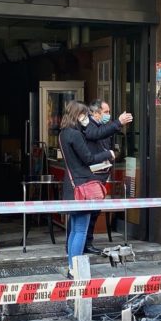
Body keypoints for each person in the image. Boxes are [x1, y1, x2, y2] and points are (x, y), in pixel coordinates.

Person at [59, 100, 116, 272]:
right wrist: (109, 154)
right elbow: (89, 159)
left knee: (75, 230)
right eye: (84, 114)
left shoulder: (63, 133)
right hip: (82, 185)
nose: (86, 118)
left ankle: (71, 267)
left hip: (71, 186)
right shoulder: (76, 135)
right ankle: (75, 269)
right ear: (78, 115)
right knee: (81, 231)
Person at [82, 99, 133, 254]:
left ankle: (87, 242)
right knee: (85, 212)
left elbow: (106, 136)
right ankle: (82, 244)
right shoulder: (88, 125)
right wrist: (118, 122)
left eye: (109, 112)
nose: (108, 115)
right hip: (91, 176)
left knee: (94, 211)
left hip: (101, 174)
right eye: (106, 112)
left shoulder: (103, 126)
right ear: (95, 113)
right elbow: (95, 135)